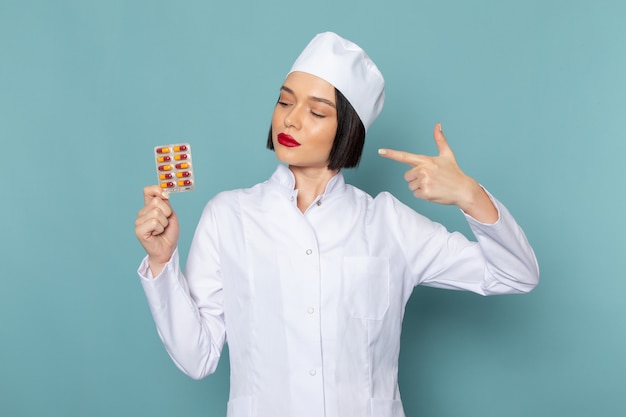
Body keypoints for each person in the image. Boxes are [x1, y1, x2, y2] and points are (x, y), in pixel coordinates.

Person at [135, 32, 539, 417]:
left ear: (346, 128)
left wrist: (470, 195)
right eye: (284, 102)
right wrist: (161, 262)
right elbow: (197, 357)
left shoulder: (389, 224)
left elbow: (516, 275)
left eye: (316, 111)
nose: (290, 121)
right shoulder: (229, 216)